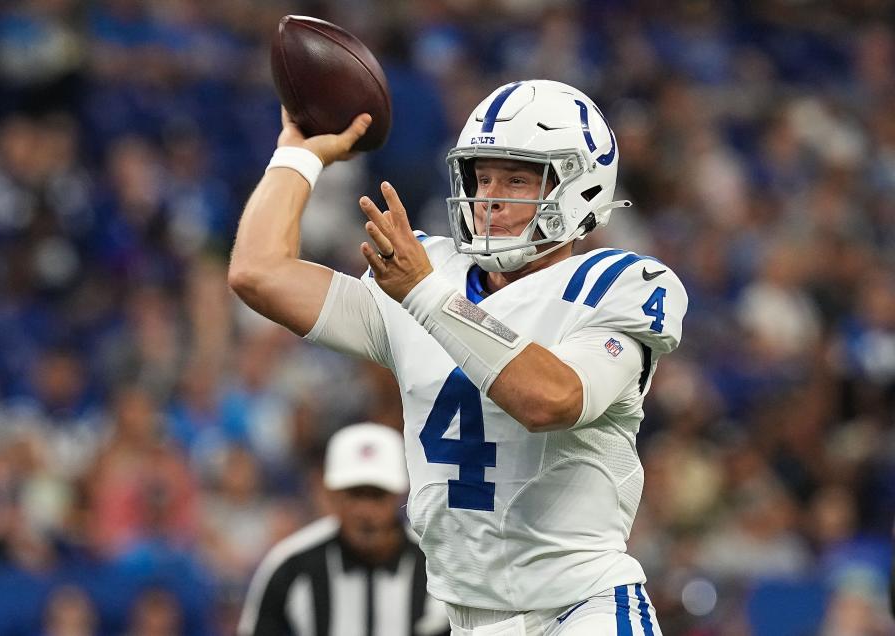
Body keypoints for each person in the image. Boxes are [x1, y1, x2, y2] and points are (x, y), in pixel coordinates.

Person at [229, 79, 687, 635]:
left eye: (517, 179)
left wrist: (424, 294)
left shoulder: (618, 284)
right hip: (469, 621)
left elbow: (553, 399)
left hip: (583, 610)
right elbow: (258, 273)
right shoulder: (428, 273)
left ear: (580, 188)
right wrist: (297, 155)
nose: (490, 198)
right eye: (482, 176)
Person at [237, 422, 449, 636]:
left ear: (400, 496)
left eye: (377, 495)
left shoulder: (436, 567)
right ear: (331, 495)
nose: (365, 511)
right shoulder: (292, 566)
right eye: (354, 494)